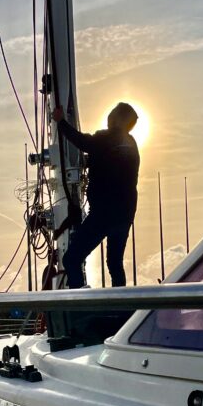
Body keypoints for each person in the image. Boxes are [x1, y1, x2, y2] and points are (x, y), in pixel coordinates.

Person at [52, 102, 140, 287]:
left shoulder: (104, 138)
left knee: (71, 259)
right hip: (125, 215)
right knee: (115, 263)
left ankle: (80, 299)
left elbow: (82, 141)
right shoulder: (132, 144)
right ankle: (121, 302)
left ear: (115, 118)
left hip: (103, 214)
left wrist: (61, 122)